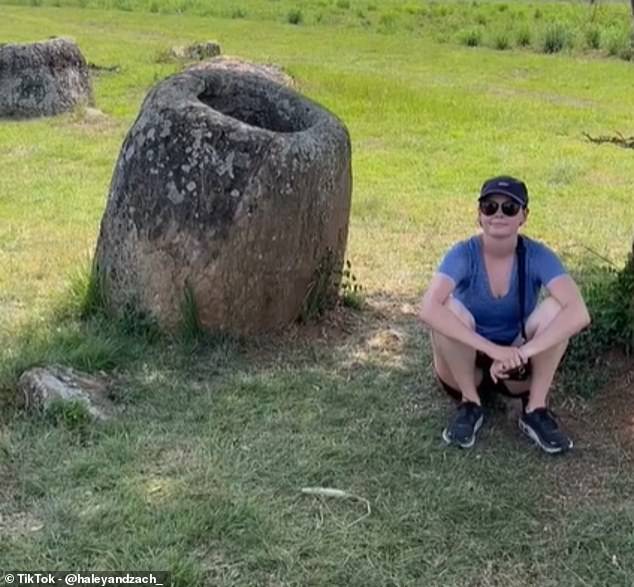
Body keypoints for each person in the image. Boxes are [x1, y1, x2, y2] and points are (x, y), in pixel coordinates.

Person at [418, 176, 590, 454]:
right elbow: (427, 309)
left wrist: (520, 353)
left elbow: (579, 312)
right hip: (464, 364)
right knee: (445, 308)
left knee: (558, 309)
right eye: (489, 206)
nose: (498, 213)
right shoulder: (463, 253)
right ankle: (470, 403)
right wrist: (492, 350)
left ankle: (535, 408)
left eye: (509, 207)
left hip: (515, 369)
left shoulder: (537, 254)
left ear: (524, 216)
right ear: (479, 215)